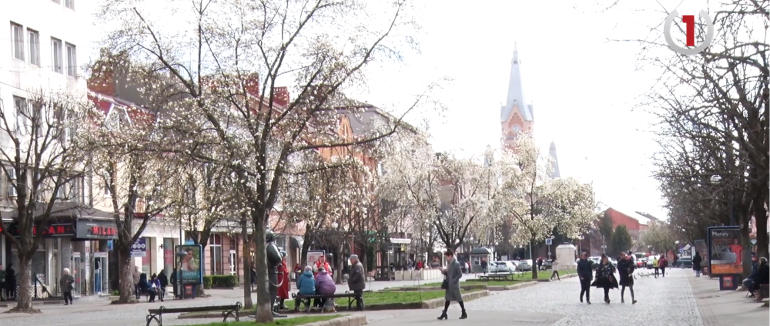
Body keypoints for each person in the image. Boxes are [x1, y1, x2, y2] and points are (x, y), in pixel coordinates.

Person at [437, 250, 467, 320]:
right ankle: (444, 313)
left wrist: (453, 280)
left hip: (454, 285)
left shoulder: (456, 263)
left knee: (459, 299)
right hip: (449, 285)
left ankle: (463, 312)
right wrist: (443, 271)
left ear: (450, 256)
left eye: (446, 257)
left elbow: (460, 274)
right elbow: (449, 274)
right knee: (448, 299)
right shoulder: (450, 263)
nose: (446, 258)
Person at [265, 230, 284, 317]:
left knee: (268, 291)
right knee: (273, 291)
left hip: (267, 271)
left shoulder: (264, 246)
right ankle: (271, 310)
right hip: (271, 271)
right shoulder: (271, 246)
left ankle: (267, 308)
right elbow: (278, 258)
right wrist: (280, 254)